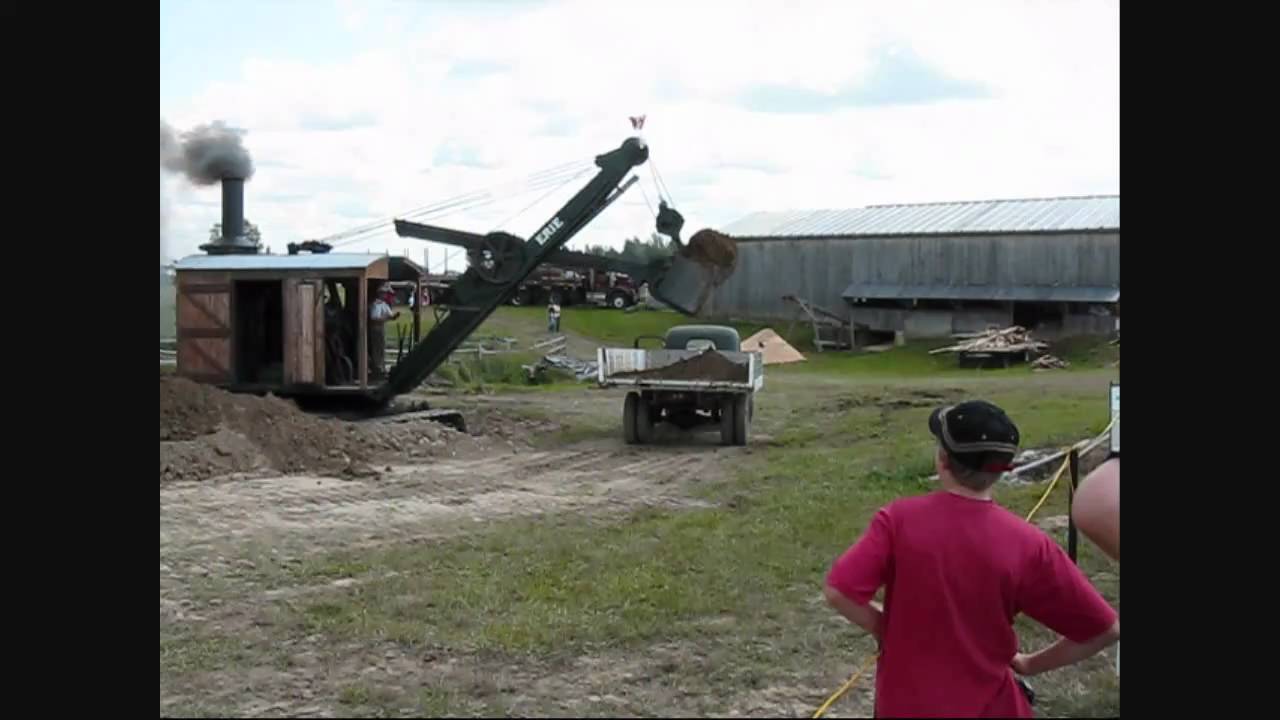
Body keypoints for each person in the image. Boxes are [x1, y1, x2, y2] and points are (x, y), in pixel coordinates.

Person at [823, 401, 1120, 718]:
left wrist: (887, 629)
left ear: (942, 460)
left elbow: (839, 591)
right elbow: (1105, 629)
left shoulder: (898, 520)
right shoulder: (1029, 543)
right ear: (1004, 469)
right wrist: (1030, 664)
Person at [368, 284, 400, 379]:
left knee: (381, 347)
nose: (385, 295)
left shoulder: (384, 304)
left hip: (381, 328)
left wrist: (394, 316)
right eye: (384, 293)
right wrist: (386, 317)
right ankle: (377, 368)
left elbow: (390, 315)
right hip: (375, 328)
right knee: (377, 348)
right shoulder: (374, 304)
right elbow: (374, 318)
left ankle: (381, 367)